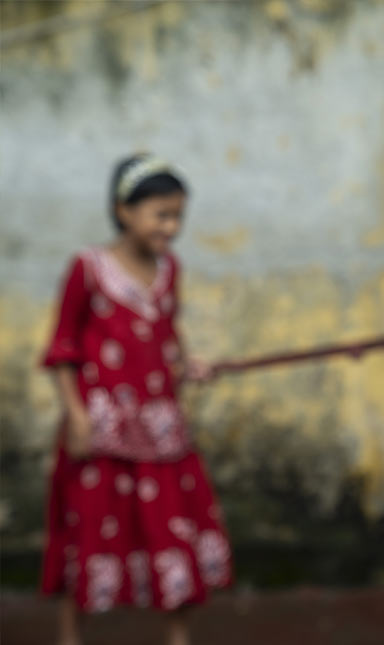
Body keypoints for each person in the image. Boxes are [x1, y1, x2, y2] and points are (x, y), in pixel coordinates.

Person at [41, 154, 233, 645]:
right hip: (102, 433)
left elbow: (170, 337)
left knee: (172, 535)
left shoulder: (171, 271)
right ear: (123, 210)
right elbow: (62, 348)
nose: (171, 228)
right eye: (160, 215)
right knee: (88, 535)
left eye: (178, 217)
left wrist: (190, 366)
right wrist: (77, 415)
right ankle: (70, 636)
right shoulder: (88, 269)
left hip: (162, 432)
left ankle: (177, 636)